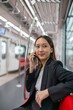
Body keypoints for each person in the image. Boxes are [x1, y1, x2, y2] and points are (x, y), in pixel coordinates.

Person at [14, 35, 73, 110]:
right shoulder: (38, 67)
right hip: (32, 104)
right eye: (37, 46)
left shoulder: (55, 66)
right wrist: (31, 67)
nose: (40, 50)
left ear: (51, 49)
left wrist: (48, 92)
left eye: (44, 46)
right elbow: (28, 88)